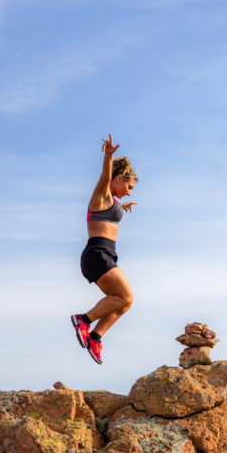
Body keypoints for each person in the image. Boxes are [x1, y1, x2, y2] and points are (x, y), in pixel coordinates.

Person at [71, 134, 138, 364]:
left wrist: (122, 207)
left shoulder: (111, 202)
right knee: (126, 296)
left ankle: (95, 337)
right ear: (118, 178)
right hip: (97, 254)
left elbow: (110, 212)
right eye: (128, 187)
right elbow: (105, 176)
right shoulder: (101, 194)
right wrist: (108, 155)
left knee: (124, 301)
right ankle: (84, 320)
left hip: (105, 255)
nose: (129, 192)